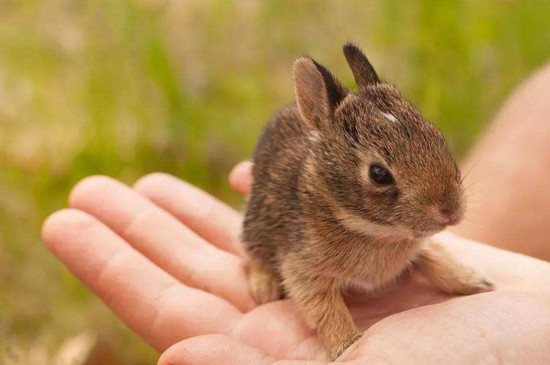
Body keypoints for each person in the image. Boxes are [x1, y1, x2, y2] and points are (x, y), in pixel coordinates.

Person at [41, 63, 550, 364]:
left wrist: (455, 274)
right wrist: (345, 344)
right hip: (286, 237)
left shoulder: (406, 216)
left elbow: (422, 245)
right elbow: (309, 275)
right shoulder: (320, 222)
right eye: (380, 177)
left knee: (413, 246)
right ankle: (257, 262)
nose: (449, 210)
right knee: (264, 244)